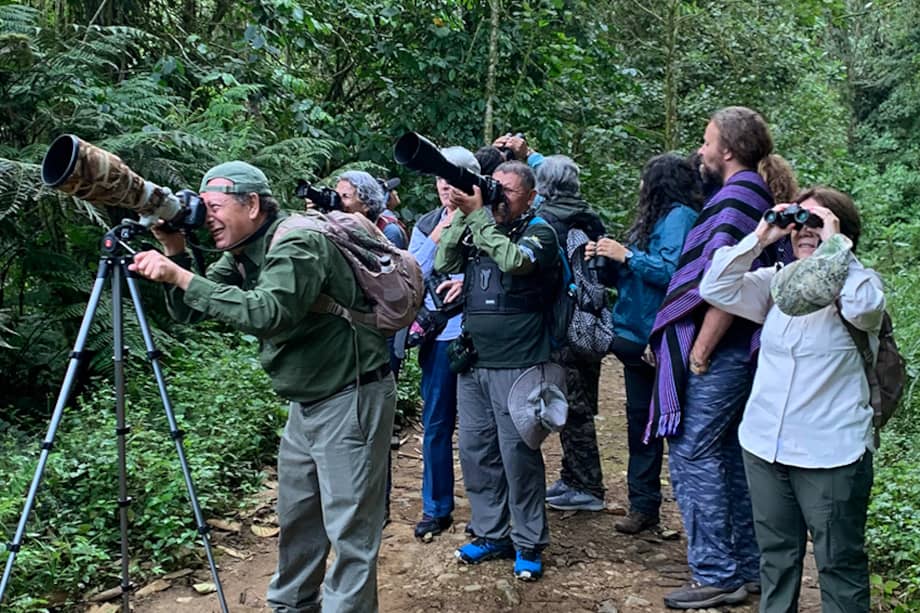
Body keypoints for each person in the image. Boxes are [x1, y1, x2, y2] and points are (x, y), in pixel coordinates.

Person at [129, 161, 396, 612]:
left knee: (350, 533)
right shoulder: (242, 248)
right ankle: (291, 606)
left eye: (215, 207)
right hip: (306, 403)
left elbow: (269, 314)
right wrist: (176, 252)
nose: (207, 217)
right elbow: (190, 310)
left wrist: (180, 275)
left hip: (350, 396)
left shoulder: (299, 242)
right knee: (299, 522)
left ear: (252, 204)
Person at [699, 187, 883, 613]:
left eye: (817, 222)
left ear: (843, 231)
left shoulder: (860, 285)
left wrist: (835, 247)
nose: (805, 231)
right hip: (765, 444)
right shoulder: (779, 284)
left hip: (831, 452)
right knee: (776, 560)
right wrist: (761, 237)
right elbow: (715, 287)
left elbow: (864, 308)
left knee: (839, 563)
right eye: (800, 223)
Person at [647, 107, 786, 609]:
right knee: (725, 454)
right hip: (737, 354)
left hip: (721, 353)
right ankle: (748, 568)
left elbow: (725, 283)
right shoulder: (751, 194)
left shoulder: (736, 198)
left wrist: (701, 350)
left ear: (727, 149)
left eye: (706, 142)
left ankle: (715, 572)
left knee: (691, 453)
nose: (700, 152)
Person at [435, 160, 560, 582]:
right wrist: (460, 215)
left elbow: (514, 263)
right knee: (476, 450)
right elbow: (444, 261)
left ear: (531, 196)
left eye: (507, 190)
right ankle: (491, 532)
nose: (498, 196)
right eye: (495, 187)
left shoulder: (541, 232)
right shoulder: (479, 227)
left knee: (518, 455)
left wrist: (478, 219)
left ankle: (528, 541)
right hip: (475, 361)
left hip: (519, 362)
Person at [586, 153, 701, 532]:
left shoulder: (680, 217)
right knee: (640, 420)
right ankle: (643, 504)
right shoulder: (654, 219)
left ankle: (687, 510)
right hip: (635, 332)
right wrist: (608, 261)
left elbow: (673, 273)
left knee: (671, 420)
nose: (639, 186)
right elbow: (632, 276)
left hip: (663, 335)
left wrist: (629, 255)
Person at [407, 146, 480, 541]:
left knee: (479, 427)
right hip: (439, 337)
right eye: (438, 179)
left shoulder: (488, 218)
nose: (444, 187)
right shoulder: (427, 222)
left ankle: (487, 509)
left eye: (451, 179)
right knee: (436, 423)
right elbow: (410, 272)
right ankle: (436, 507)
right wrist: (439, 232)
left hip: (479, 334)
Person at [530, 154, 608, 512]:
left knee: (572, 407)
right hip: (588, 320)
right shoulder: (589, 217)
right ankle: (573, 477)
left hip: (561, 324)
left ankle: (587, 486)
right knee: (579, 403)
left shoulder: (547, 221)